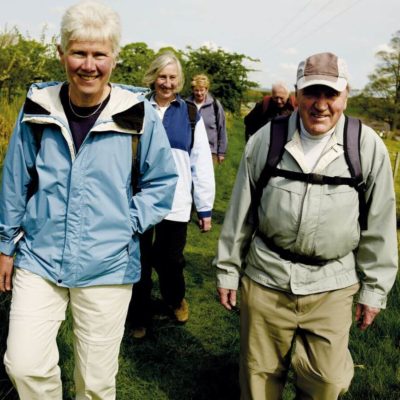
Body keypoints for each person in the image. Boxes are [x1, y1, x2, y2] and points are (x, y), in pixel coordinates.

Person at [0, 2, 178, 399]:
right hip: (39, 257)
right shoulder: (37, 109)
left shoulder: (137, 115)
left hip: (108, 263)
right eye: (79, 52)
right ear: (62, 54)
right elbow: (15, 182)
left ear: (114, 57)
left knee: (97, 383)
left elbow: (163, 182)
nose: (88, 64)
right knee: (23, 364)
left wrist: (127, 221)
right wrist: (4, 245)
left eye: (99, 54)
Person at [214, 52, 398, 399]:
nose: (321, 105)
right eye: (312, 93)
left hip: (333, 285)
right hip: (266, 277)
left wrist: (374, 289)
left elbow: (380, 222)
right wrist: (227, 269)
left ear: (346, 96)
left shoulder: (365, 145)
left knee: (327, 383)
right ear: (297, 95)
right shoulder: (268, 139)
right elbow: (241, 212)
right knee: (259, 378)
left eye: (331, 94)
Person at [128, 53, 215, 339]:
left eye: (172, 77)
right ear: (153, 77)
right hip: (140, 201)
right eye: (162, 76)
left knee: (171, 262)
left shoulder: (190, 114)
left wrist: (204, 208)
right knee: (138, 261)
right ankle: (138, 314)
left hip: (177, 202)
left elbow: (200, 162)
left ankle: (175, 299)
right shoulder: (137, 107)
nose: (167, 83)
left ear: (180, 81)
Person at [187, 74, 227, 164]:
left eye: (202, 90)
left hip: (209, 152)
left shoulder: (215, 105)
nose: (199, 93)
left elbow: (222, 128)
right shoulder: (186, 104)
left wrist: (221, 152)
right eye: (196, 90)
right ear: (192, 90)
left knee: (206, 178)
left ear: (207, 90)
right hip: (189, 150)